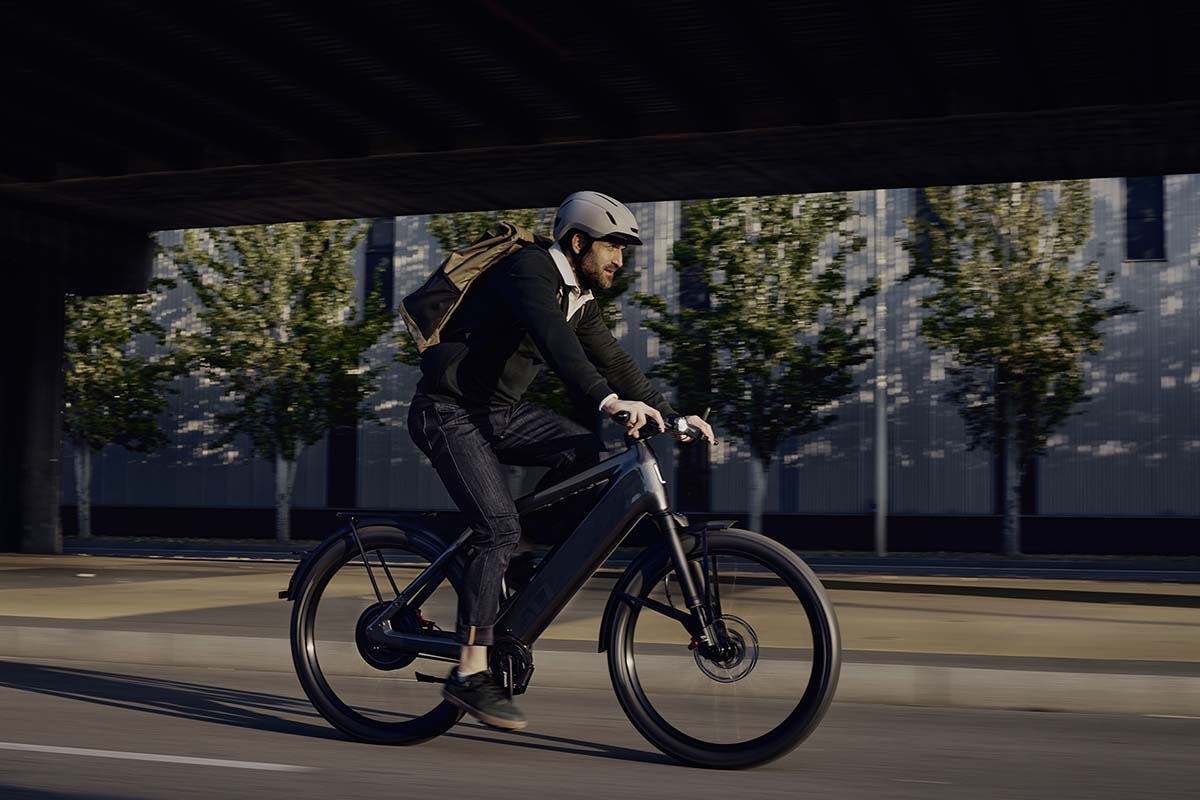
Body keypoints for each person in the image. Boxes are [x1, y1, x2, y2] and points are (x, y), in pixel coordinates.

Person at [407, 191, 714, 730]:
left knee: (587, 458)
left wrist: (673, 415)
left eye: (625, 249)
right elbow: (557, 345)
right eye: (613, 247)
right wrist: (608, 402)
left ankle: (515, 559)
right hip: (449, 413)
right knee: (496, 527)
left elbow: (614, 359)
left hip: (497, 414)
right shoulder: (530, 271)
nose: (621, 259)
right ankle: (470, 672)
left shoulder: (579, 297)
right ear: (578, 243)